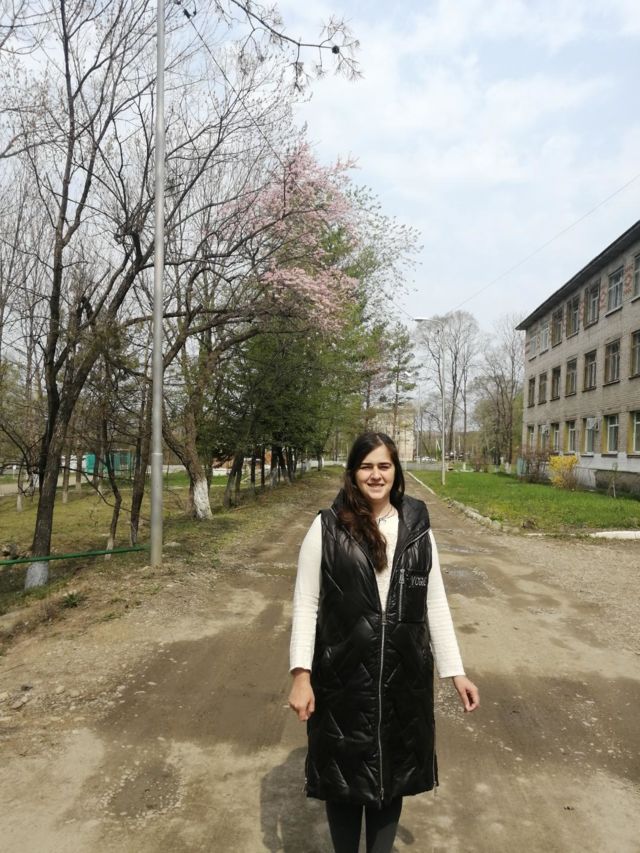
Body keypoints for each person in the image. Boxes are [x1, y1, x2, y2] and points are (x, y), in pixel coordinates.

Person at [288, 432, 479, 853]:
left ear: (396, 471)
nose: (375, 475)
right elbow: (306, 604)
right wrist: (301, 676)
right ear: (353, 473)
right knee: (343, 781)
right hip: (342, 682)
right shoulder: (326, 528)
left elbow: (435, 603)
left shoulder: (418, 530)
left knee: (391, 780)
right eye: (366, 466)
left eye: (384, 466)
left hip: (403, 680)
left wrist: (456, 672)